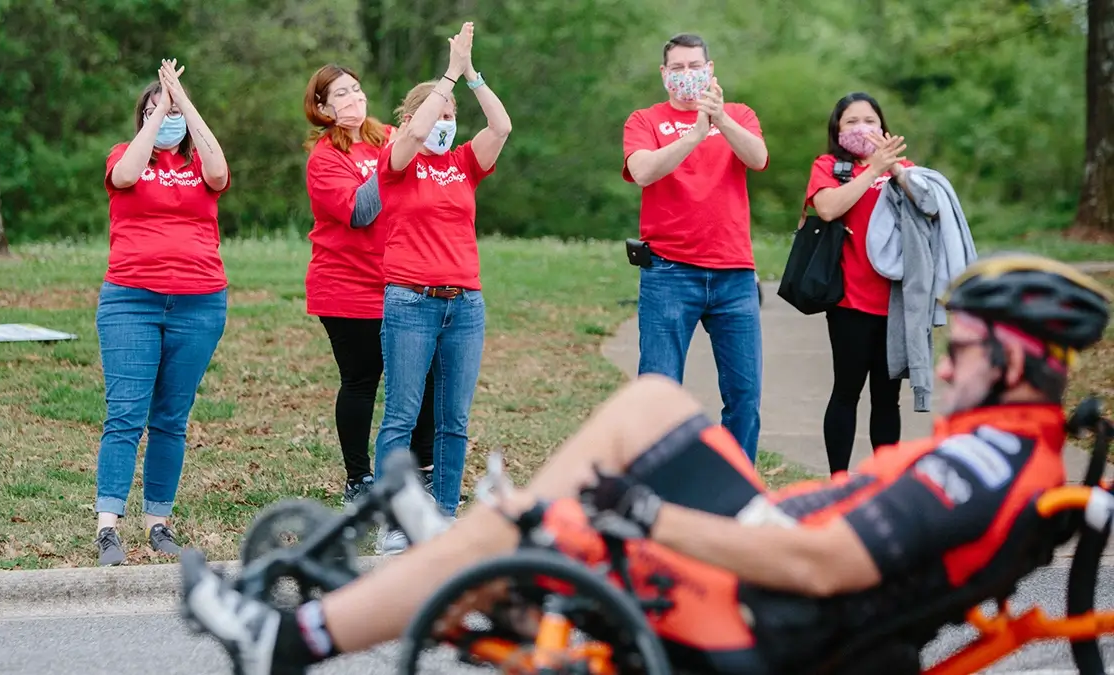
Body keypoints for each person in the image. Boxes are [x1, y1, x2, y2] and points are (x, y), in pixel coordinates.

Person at [176, 253, 1112, 674]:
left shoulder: (987, 464)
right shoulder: (1010, 450)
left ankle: (290, 639)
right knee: (656, 401)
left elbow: (826, 566)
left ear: (1018, 363)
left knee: (530, 525)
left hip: (773, 604)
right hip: (782, 554)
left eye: (964, 349)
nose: (942, 362)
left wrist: (647, 514)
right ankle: (476, 546)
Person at [369, 21, 512, 554]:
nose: (446, 125)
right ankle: (394, 520)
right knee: (402, 416)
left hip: (464, 304)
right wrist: (445, 77)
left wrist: (471, 75)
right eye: (438, 116)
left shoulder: (464, 165)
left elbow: (501, 125)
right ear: (413, 119)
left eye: (451, 119)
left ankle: (445, 517)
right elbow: (408, 140)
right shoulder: (396, 163)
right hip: (410, 301)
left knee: (454, 419)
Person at [94, 59, 230, 566]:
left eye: (170, 111)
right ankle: (108, 526)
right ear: (142, 119)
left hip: (199, 303)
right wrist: (158, 112)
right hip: (131, 300)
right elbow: (127, 173)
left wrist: (183, 102)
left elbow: (218, 170)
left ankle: (159, 521)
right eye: (153, 110)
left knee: (171, 418)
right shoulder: (124, 157)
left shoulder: (199, 167)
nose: (166, 117)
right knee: (125, 414)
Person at [622, 32, 770, 463]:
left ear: (710, 71)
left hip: (734, 274)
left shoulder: (738, 114)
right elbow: (643, 171)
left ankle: (737, 485)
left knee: (744, 393)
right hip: (670, 273)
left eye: (695, 67)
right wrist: (693, 136)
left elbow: (758, 157)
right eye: (678, 68)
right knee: (658, 389)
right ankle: (656, 484)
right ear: (665, 74)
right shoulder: (644, 119)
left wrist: (720, 120)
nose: (687, 75)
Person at [302, 63, 438, 504]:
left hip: (400, 280)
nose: (353, 100)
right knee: (362, 380)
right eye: (340, 95)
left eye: (356, 90)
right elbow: (361, 212)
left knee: (421, 377)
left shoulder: (383, 137)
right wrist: (392, 158)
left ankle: (423, 470)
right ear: (321, 108)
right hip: (346, 285)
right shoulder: (326, 156)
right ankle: (358, 479)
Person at [805, 92, 914, 474]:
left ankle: (884, 482)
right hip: (850, 302)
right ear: (837, 129)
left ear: (883, 127)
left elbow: (929, 208)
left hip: (895, 304)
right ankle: (838, 481)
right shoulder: (829, 166)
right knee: (846, 392)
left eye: (870, 120)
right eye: (851, 121)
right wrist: (871, 169)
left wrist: (895, 168)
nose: (862, 128)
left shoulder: (902, 168)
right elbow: (828, 207)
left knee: (888, 399)